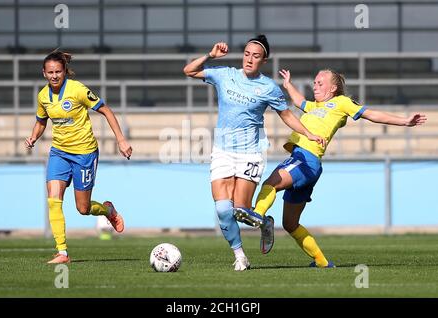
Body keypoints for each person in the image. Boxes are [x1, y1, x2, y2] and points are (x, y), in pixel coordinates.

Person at [234, 68, 427, 267]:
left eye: (320, 83)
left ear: (333, 88)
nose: (315, 86)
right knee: (290, 224)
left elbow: (371, 114)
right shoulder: (314, 106)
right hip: (307, 165)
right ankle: (322, 262)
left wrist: (405, 121)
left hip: (306, 159)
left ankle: (259, 216)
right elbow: (299, 101)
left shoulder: (341, 103)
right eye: (315, 83)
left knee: (271, 183)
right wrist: (288, 85)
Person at [183, 35, 326, 271]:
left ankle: (264, 223)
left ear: (264, 60)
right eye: (247, 54)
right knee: (222, 209)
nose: (250, 59)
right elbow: (189, 71)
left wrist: (308, 134)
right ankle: (240, 256)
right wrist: (210, 55)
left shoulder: (268, 87)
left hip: (250, 153)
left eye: (256, 56)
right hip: (222, 151)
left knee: (241, 210)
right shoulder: (225, 74)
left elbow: (287, 115)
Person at [25, 50, 133, 264]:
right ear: (44, 73)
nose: (54, 75)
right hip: (59, 153)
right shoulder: (42, 96)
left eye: (58, 71)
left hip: (84, 153)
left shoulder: (77, 90)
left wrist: (121, 140)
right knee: (54, 200)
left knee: (83, 209)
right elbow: (41, 121)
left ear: (64, 71)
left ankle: (108, 210)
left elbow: (106, 111)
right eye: (50, 72)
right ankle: (62, 253)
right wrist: (33, 137)